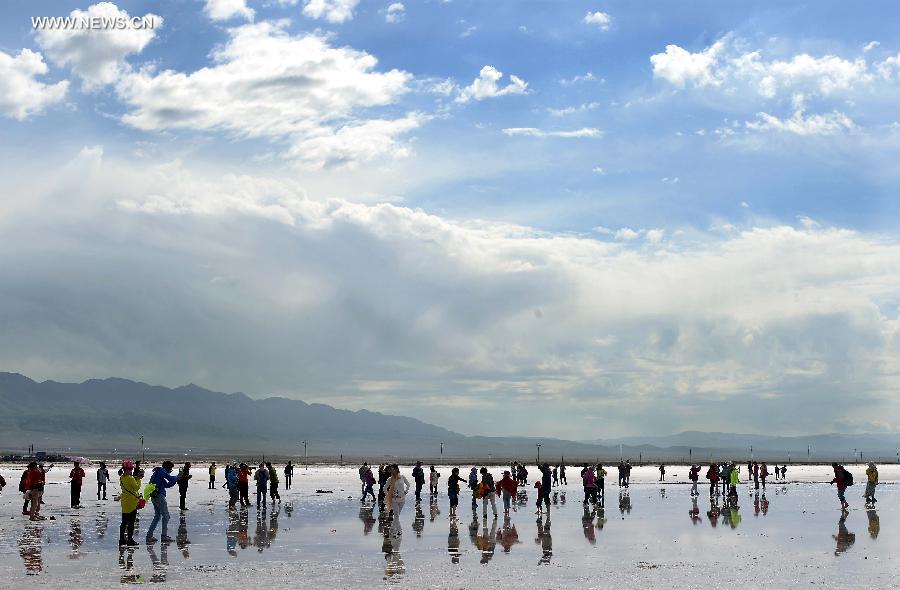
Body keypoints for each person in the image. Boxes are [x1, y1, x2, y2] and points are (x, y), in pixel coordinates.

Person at [146, 461, 180, 544]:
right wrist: (178, 477)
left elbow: (168, 485)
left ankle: (149, 536)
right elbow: (170, 478)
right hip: (159, 496)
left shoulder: (158, 473)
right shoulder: (161, 471)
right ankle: (164, 536)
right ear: (167, 468)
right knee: (166, 516)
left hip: (154, 496)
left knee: (157, 516)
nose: (170, 471)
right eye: (171, 469)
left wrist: (177, 478)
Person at [119, 460, 142, 546]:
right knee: (131, 523)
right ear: (128, 469)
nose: (132, 470)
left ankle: (121, 539)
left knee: (124, 522)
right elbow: (136, 487)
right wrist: (139, 479)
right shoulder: (130, 478)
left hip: (125, 502)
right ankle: (130, 540)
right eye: (131, 469)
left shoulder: (121, 477)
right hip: (132, 503)